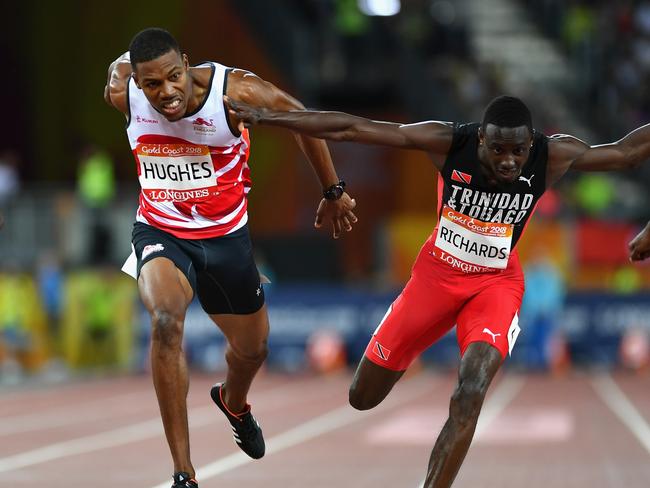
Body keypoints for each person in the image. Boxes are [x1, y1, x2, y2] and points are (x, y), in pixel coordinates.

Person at [225, 94, 650, 487]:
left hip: (496, 284)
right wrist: (270, 118)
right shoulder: (449, 141)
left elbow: (628, 153)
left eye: (518, 152)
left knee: (472, 387)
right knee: (362, 397)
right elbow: (352, 128)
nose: (508, 162)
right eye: (498, 149)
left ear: (530, 144)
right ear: (480, 137)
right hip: (435, 277)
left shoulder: (553, 154)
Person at [104, 28, 357, 488]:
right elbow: (118, 73)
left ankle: (234, 401)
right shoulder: (124, 88)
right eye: (153, 85)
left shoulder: (235, 91)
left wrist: (333, 190)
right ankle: (184, 471)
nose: (167, 93)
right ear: (137, 84)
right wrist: (127, 68)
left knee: (253, 349)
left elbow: (302, 118)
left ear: (187, 62)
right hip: (161, 231)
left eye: (174, 77)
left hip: (226, 241)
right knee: (164, 321)